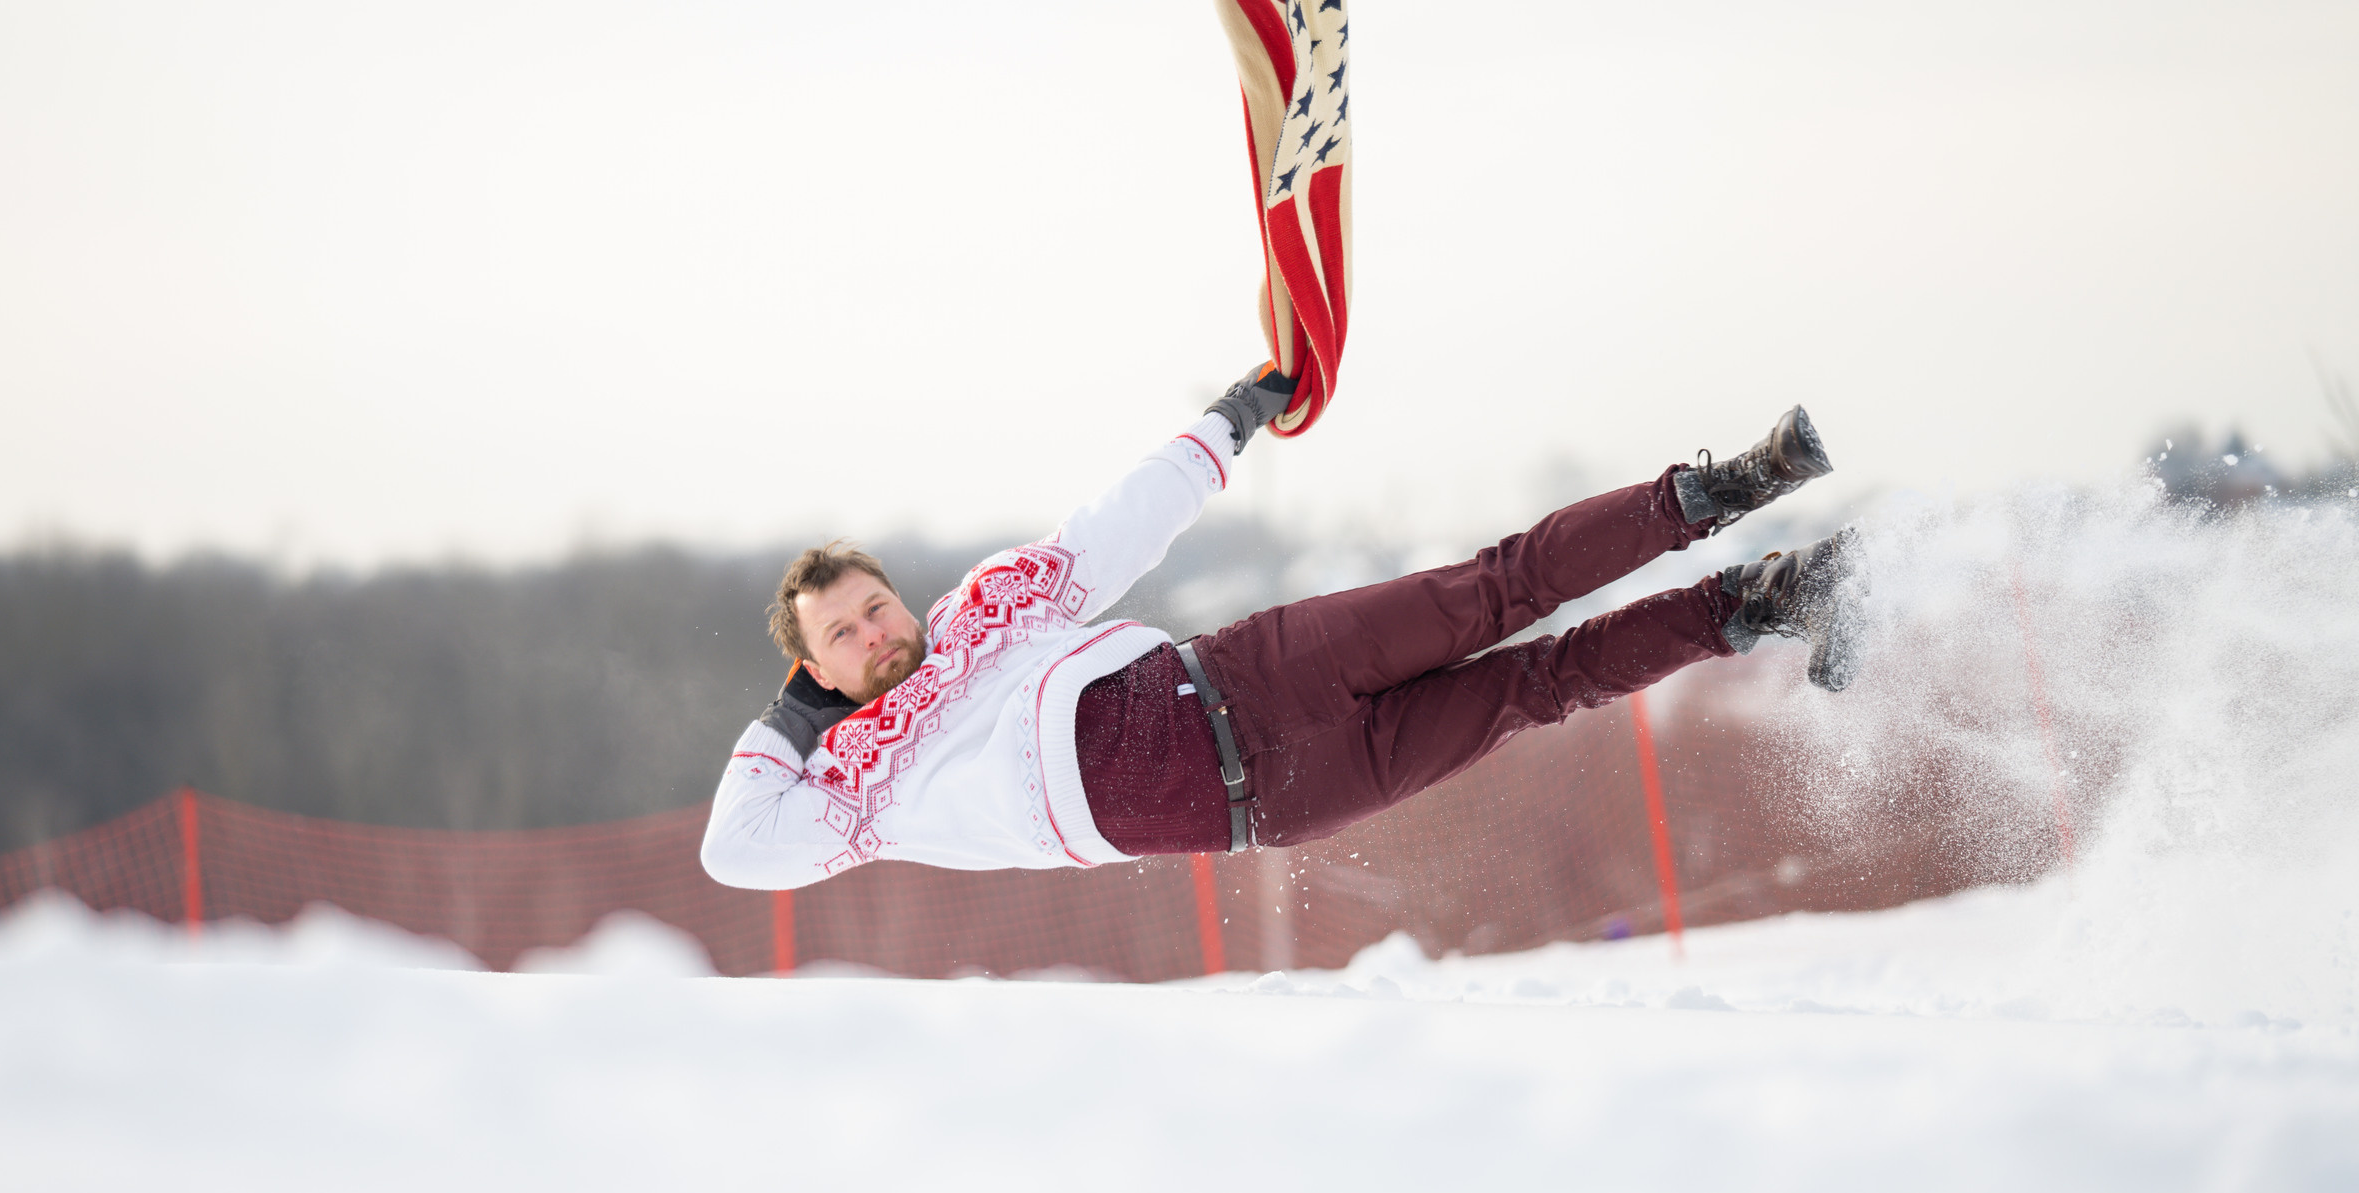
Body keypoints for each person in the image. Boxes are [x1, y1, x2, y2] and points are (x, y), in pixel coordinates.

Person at [699, 367, 1860, 890]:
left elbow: (1116, 529)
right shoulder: (854, 791)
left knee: (1494, 588)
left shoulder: (983, 612)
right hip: (1284, 799)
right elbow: (733, 849)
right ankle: (1762, 600)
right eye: (842, 636)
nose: (875, 633)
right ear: (817, 667)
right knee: (1538, 684)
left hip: (1248, 673)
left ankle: (1722, 488)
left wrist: (1227, 421)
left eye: (873, 605)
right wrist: (798, 718)